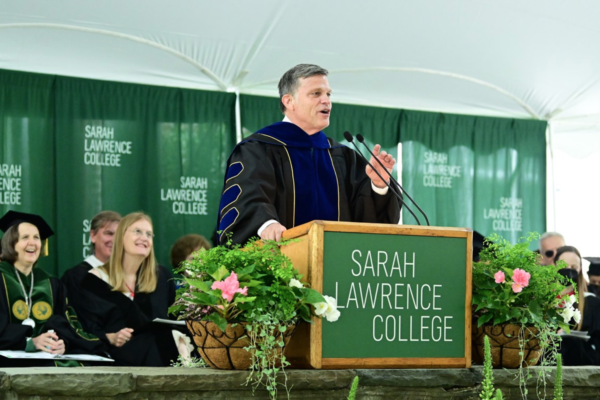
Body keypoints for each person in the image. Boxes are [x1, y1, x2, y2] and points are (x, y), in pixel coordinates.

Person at [217, 64, 401, 245]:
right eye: (316, 93)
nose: (326, 100)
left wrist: (378, 185)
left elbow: (367, 219)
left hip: (337, 270)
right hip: (280, 267)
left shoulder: (343, 156)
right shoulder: (257, 149)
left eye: (328, 94)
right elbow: (247, 198)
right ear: (289, 101)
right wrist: (266, 224)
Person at [73, 212, 192, 366]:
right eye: (137, 231)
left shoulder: (161, 277)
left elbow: (176, 319)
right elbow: (85, 329)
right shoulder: (93, 280)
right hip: (118, 361)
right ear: (121, 237)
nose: (144, 238)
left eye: (149, 234)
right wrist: (111, 337)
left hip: (163, 357)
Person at [0, 211, 106, 367]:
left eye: (36, 237)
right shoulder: (2, 277)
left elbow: (67, 324)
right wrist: (30, 342)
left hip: (44, 357)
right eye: (25, 237)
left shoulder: (51, 283)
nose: (33, 243)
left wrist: (62, 343)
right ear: (10, 242)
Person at [554, 246, 600, 365]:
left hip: (581, 365)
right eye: (563, 266)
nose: (568, 270)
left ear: (580, 269)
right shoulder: (542, 301)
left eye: (574, 267)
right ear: (554, 266)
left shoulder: (591, 303)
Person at [61, 211, 121, 302]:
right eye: (109, 233)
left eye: (119, 235)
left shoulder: (129, 276)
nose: (114, 240)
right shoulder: (75, 278)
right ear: (93, 235)